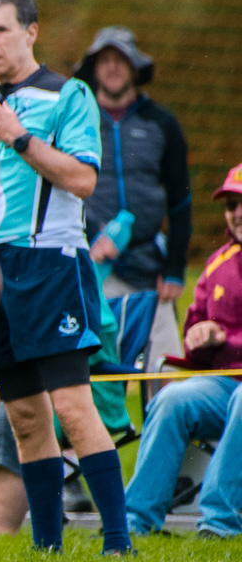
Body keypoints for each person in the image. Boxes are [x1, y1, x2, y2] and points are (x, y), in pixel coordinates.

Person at [0, 0, 132, 558]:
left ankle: (118, 542)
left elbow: (82, 180)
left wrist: (19, 138)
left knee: (72, 406)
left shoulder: (67, 95)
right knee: (25, 416)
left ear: (30, 32)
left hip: (50, 264)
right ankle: (47, 547)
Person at [124, 163, 242, 540]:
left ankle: (219, 522)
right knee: (172, 399)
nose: (237, 213)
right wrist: (199, 335)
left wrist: (227, 338)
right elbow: (195, 340)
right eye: (231, 206)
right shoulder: (217, 265)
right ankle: (137, 521)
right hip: (223, 384)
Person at [76, 26, 193, 372]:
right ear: (94, 68)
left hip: (150, 270)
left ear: (135, 66)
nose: (112, 67)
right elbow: (63, 190)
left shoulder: (162, 123)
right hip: (95, 267)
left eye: (121, 59)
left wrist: (174, 269)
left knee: (165, 371)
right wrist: (91, 237)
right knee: (95, 373)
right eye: (105, 60)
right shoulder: (77, 121)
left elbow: (181, 200)